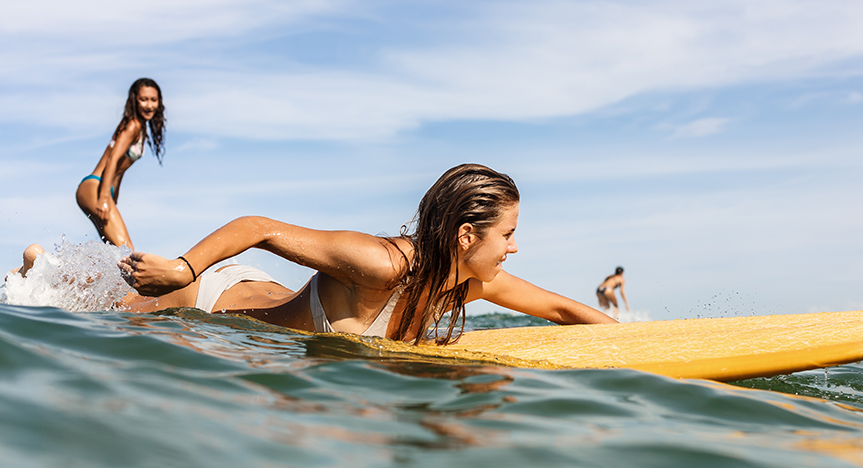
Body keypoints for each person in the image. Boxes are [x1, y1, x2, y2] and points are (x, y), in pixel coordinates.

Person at [118, 164, 617, 344]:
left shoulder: (466, 283)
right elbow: (260, 228)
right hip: (208, 299)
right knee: (94, 307)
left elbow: (562, 309)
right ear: (466, 237)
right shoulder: (382, 265)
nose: (514, 246)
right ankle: (38, 267)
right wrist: (183, 268)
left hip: (264, 298)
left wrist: (642, 347)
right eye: (507, 234)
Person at [76, 78, 166, 250]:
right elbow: (113, 159)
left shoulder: (139, 126)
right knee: (127, 251)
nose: (149, 105)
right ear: (134, 100)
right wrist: (104, 197)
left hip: (103, 189)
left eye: (153, 100)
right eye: (143, 99)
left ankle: (70, 274)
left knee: (115, 254)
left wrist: (112, 196)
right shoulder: (133, 125)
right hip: (95, 187)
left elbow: (120, 170)